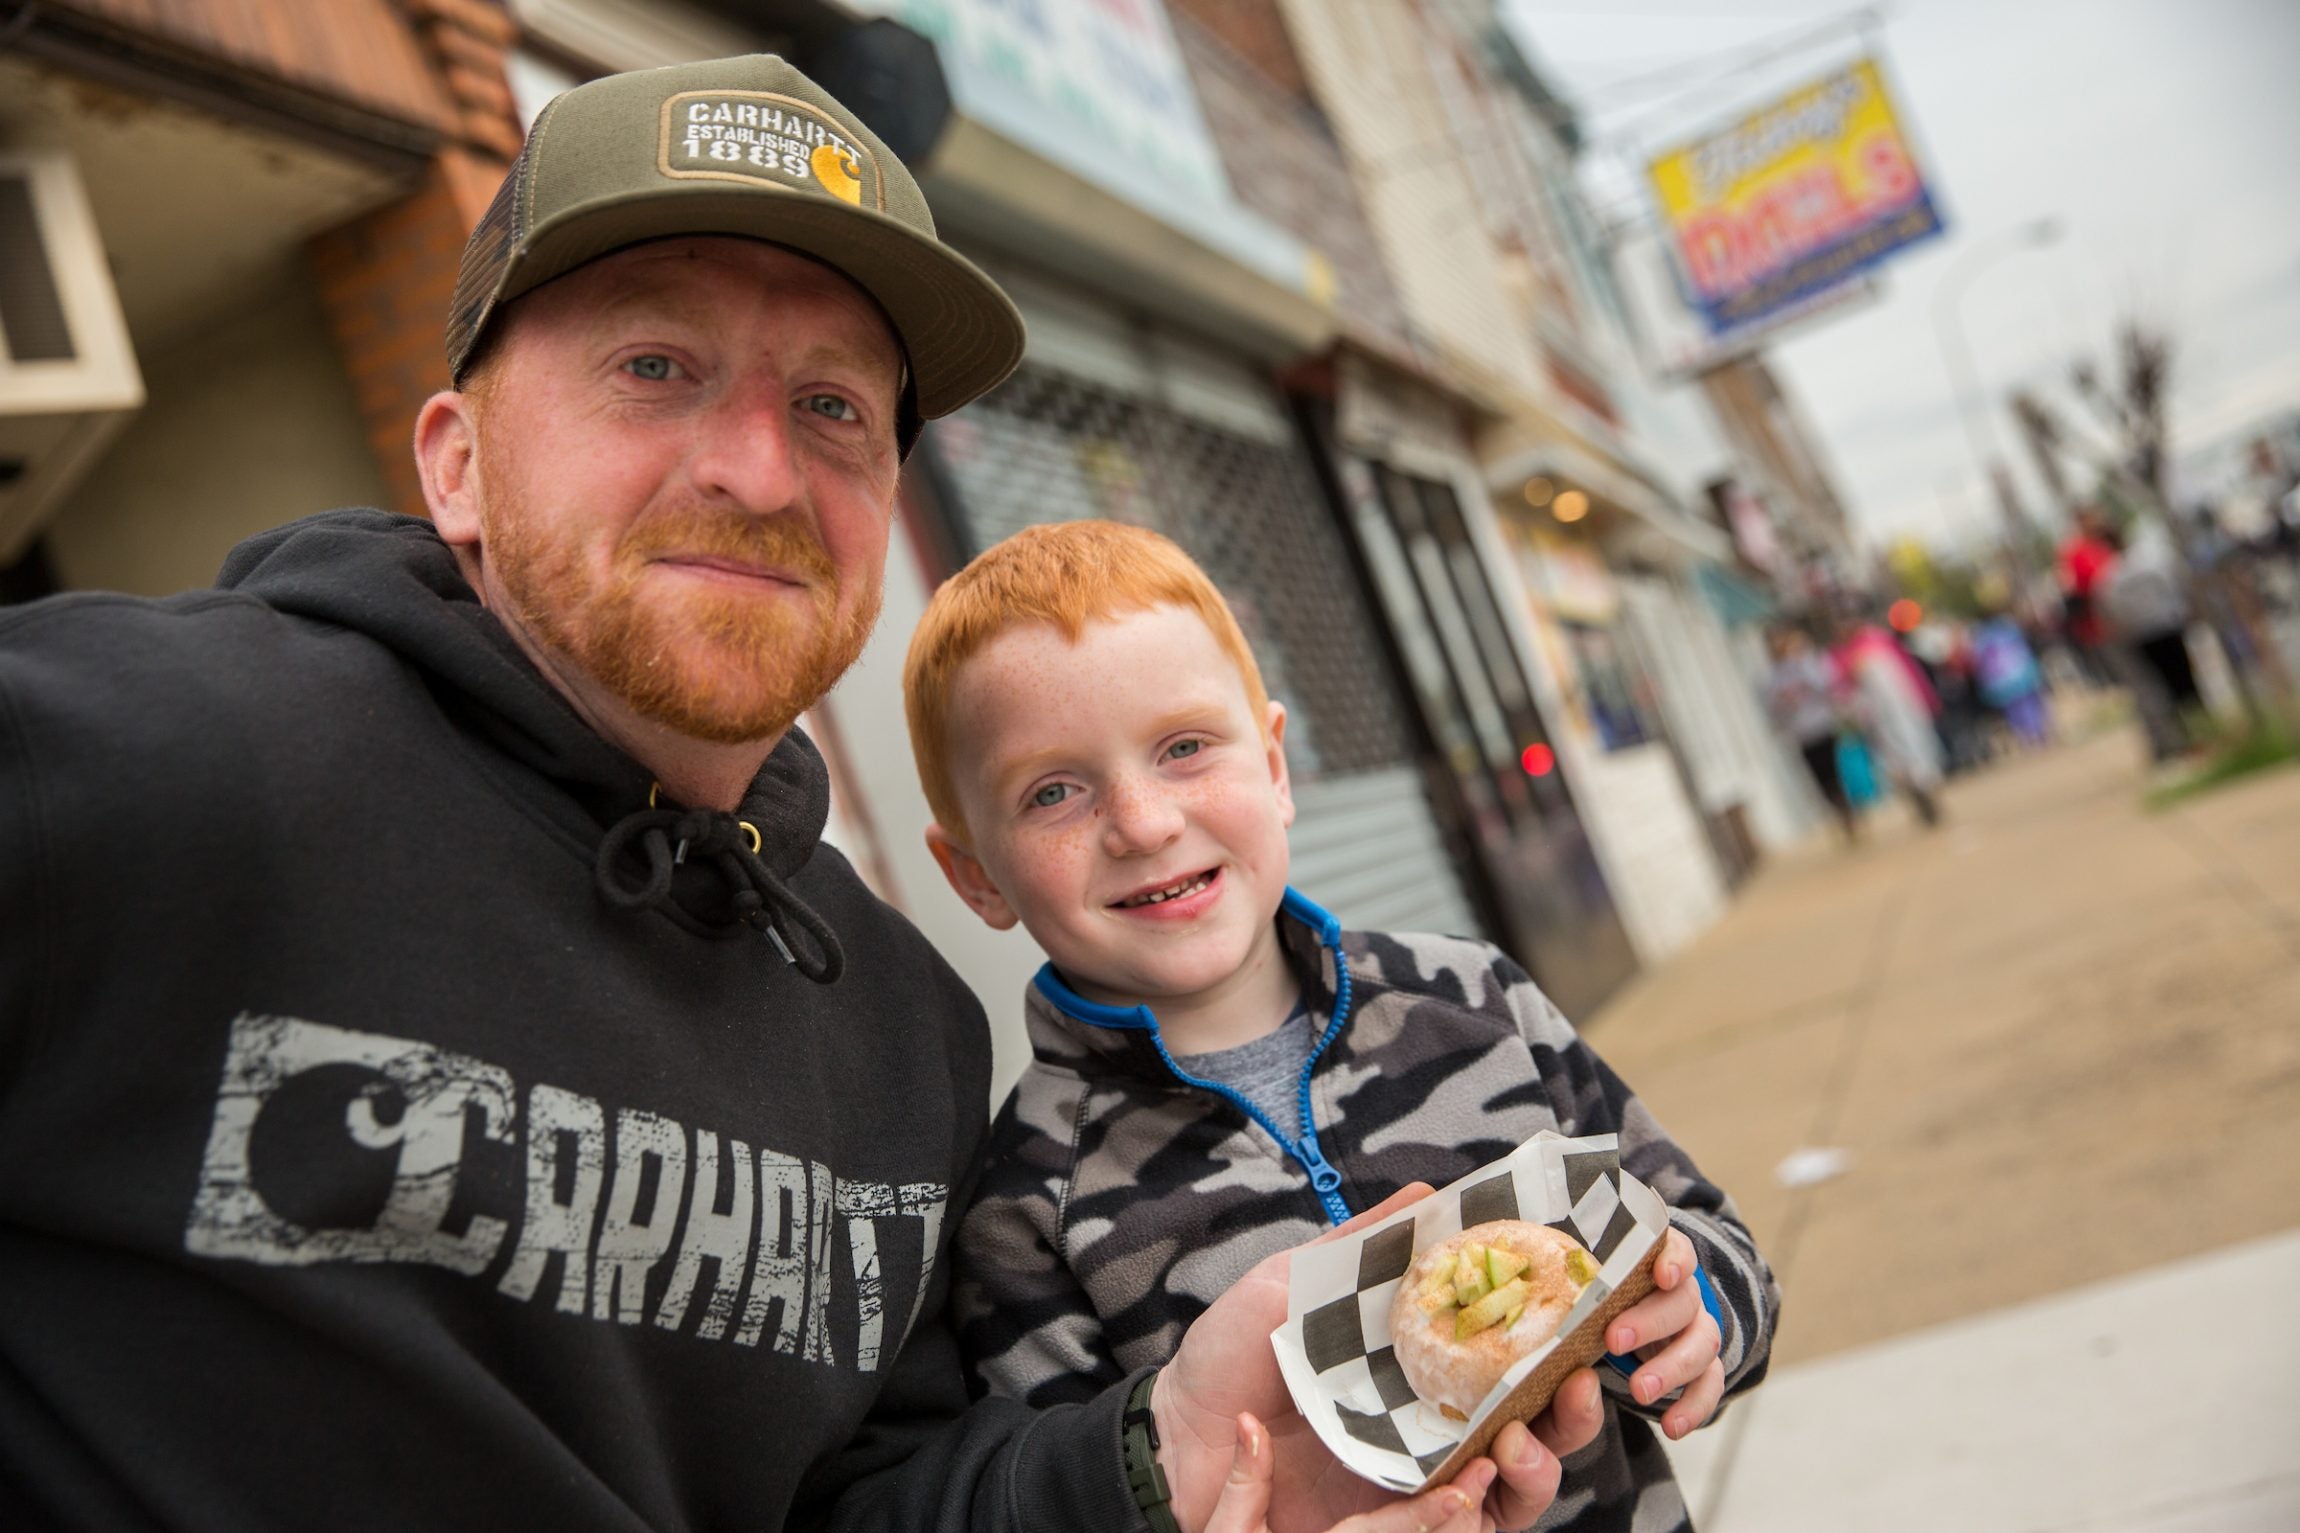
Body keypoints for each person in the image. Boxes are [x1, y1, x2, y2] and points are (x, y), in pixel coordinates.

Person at [0, 55, 1582, 1533]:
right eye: (656, 364)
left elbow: (859, 1500)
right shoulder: (145, 757)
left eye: (833, 405)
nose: (758, 470)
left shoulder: (900, 1026)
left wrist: (1156, 1457)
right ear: (458, 462)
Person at [899, 522, 1779, 1533]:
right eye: (1053, 791)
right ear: (974, 873)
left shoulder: (1471, 1002)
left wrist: (1695, 1314)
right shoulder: (1027, 1206)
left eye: (1183, 748)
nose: (1141, 822)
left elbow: (1709, 1238)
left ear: (1274, 767)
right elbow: (1087, 1499)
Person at [1834, 619, 1945, 827]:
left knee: (1915, 755)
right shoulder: (1852, 656)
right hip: (1884, 721)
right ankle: (1922, 800)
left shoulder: (1872, 649)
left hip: (1902, 714)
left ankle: (1927, 798)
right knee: (1900, 761)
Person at [1762, 622, 1858, 839]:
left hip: (1823, 726)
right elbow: (1772, 712)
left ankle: (1849, 808)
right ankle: (1840, 811)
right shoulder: (1770, 679)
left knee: (1836, 772)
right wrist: (1785, 702)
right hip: (1803, 735)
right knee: (1821, 779)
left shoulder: (1807, 664)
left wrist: (1804, 677)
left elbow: (1827, 687)